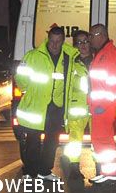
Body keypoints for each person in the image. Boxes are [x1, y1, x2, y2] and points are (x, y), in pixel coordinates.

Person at [15, 26, 79, 181]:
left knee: (52, 141)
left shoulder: (69, 57)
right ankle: (30, 172)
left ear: (63, 41)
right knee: (32, 141)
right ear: (47, 39)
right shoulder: (33, 56)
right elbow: (21, 80)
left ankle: (44, 171)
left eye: (58, 41)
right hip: (36, 106)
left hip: (56, 107)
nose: (55, 45)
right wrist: (31, 92)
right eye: (52, 41)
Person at [87, 23, 116, 184]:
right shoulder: (104, 53)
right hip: (100, 106)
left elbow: (114, 85)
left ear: (101, 35)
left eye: (91, 36)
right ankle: (107, 172)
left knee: (103, 141)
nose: (89, 40)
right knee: (101, 141)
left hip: (103, 107)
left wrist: (104, 106)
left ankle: (110, 173)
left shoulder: (108, 55)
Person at [61, 30, 91, 180]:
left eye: (86, 41)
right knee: (75, 141)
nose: (83, 45)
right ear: (74, 45)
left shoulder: (98, 59)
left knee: (98, 139)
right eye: (79, 42)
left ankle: (100, 169)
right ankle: (74, 168)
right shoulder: (71, 61)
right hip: (76, 107)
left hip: (94, 106)